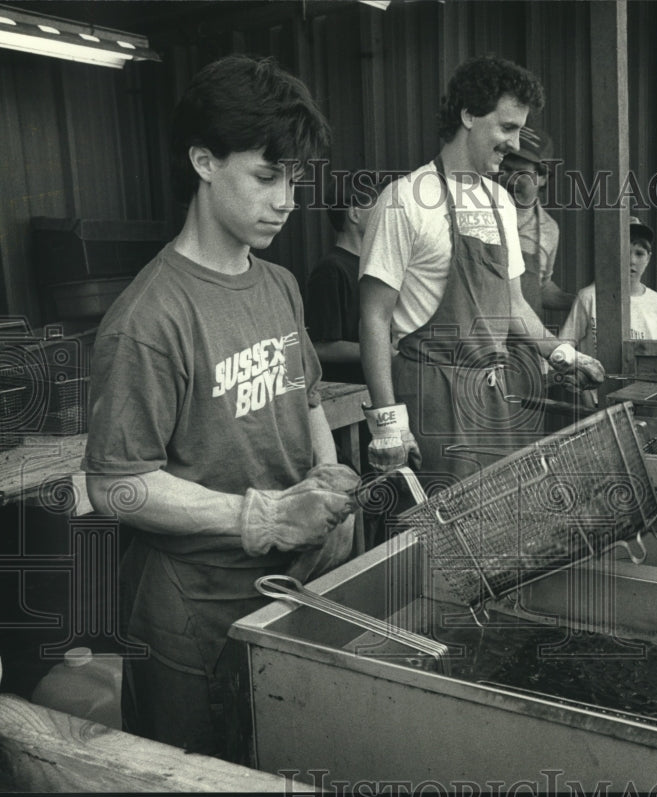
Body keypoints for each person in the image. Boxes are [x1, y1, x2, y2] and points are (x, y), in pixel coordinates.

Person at [82, 54, 360, 758]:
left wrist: (323, 481)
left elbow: (307, 400)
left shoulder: (280, 285)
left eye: (294, 180)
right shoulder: (149, 317)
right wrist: (262, 517)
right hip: (191, 616)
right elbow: (115, 483)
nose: (286, 200)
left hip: (284, 593)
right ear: (204, 162)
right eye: (266, 176)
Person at [358, 55, 605, 483]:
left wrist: (562, 352)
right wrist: (388, 426)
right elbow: (373, 318)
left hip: (491, 394)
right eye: (507, 127)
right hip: (429, 393)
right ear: (468, 114)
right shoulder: (405, 199)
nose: (514, 143)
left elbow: (512, 306)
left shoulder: (500, 203)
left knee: (493, 524)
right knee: (434, 533)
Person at [559, 217, 657, 406]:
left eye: (639, 253)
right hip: (596, 403)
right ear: (612, 254)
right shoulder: (589, 297)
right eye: (625, 252)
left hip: (643, 403)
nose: (632, 261)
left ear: (648, 258)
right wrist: (583, 389)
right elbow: (564, 345)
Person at [495, 126, 575, 315]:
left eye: (522, 173)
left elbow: (541, 288)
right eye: (506, 169)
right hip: (481, 336)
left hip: (523, 339)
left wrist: (582, 302)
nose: (512, 180)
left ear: (542, 177)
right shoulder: (479, 213)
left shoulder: (549, 229)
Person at [304, 175, 374, 385]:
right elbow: (319, 346)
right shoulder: (331, 270)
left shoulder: (374, 265)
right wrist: (381, 350)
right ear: (354, 213)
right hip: (350, 400)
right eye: (378, 207)